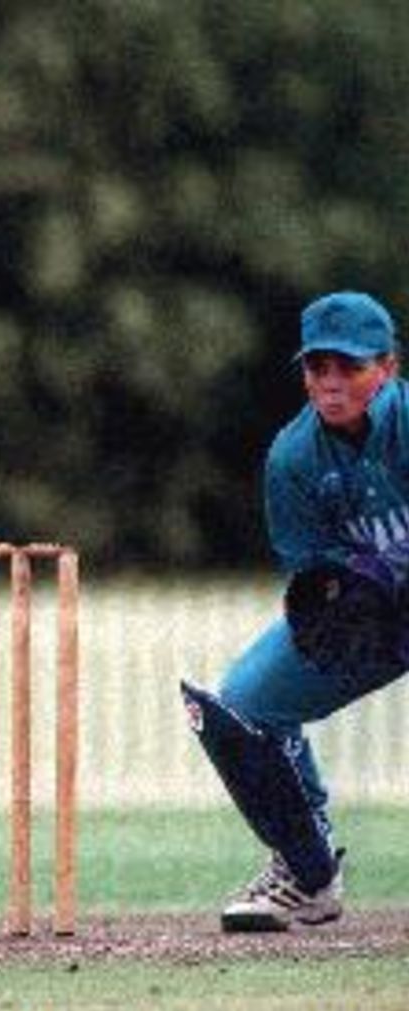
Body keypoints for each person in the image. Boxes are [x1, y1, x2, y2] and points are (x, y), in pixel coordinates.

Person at [181, 290, 409, 933]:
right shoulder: (293, 457)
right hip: (382, 620)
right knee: (244, 704)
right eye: (319, 368)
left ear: (387, 368)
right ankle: (306, 874)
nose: (332, 383)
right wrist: (340, 596)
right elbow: (311, 572)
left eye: (350, 367)